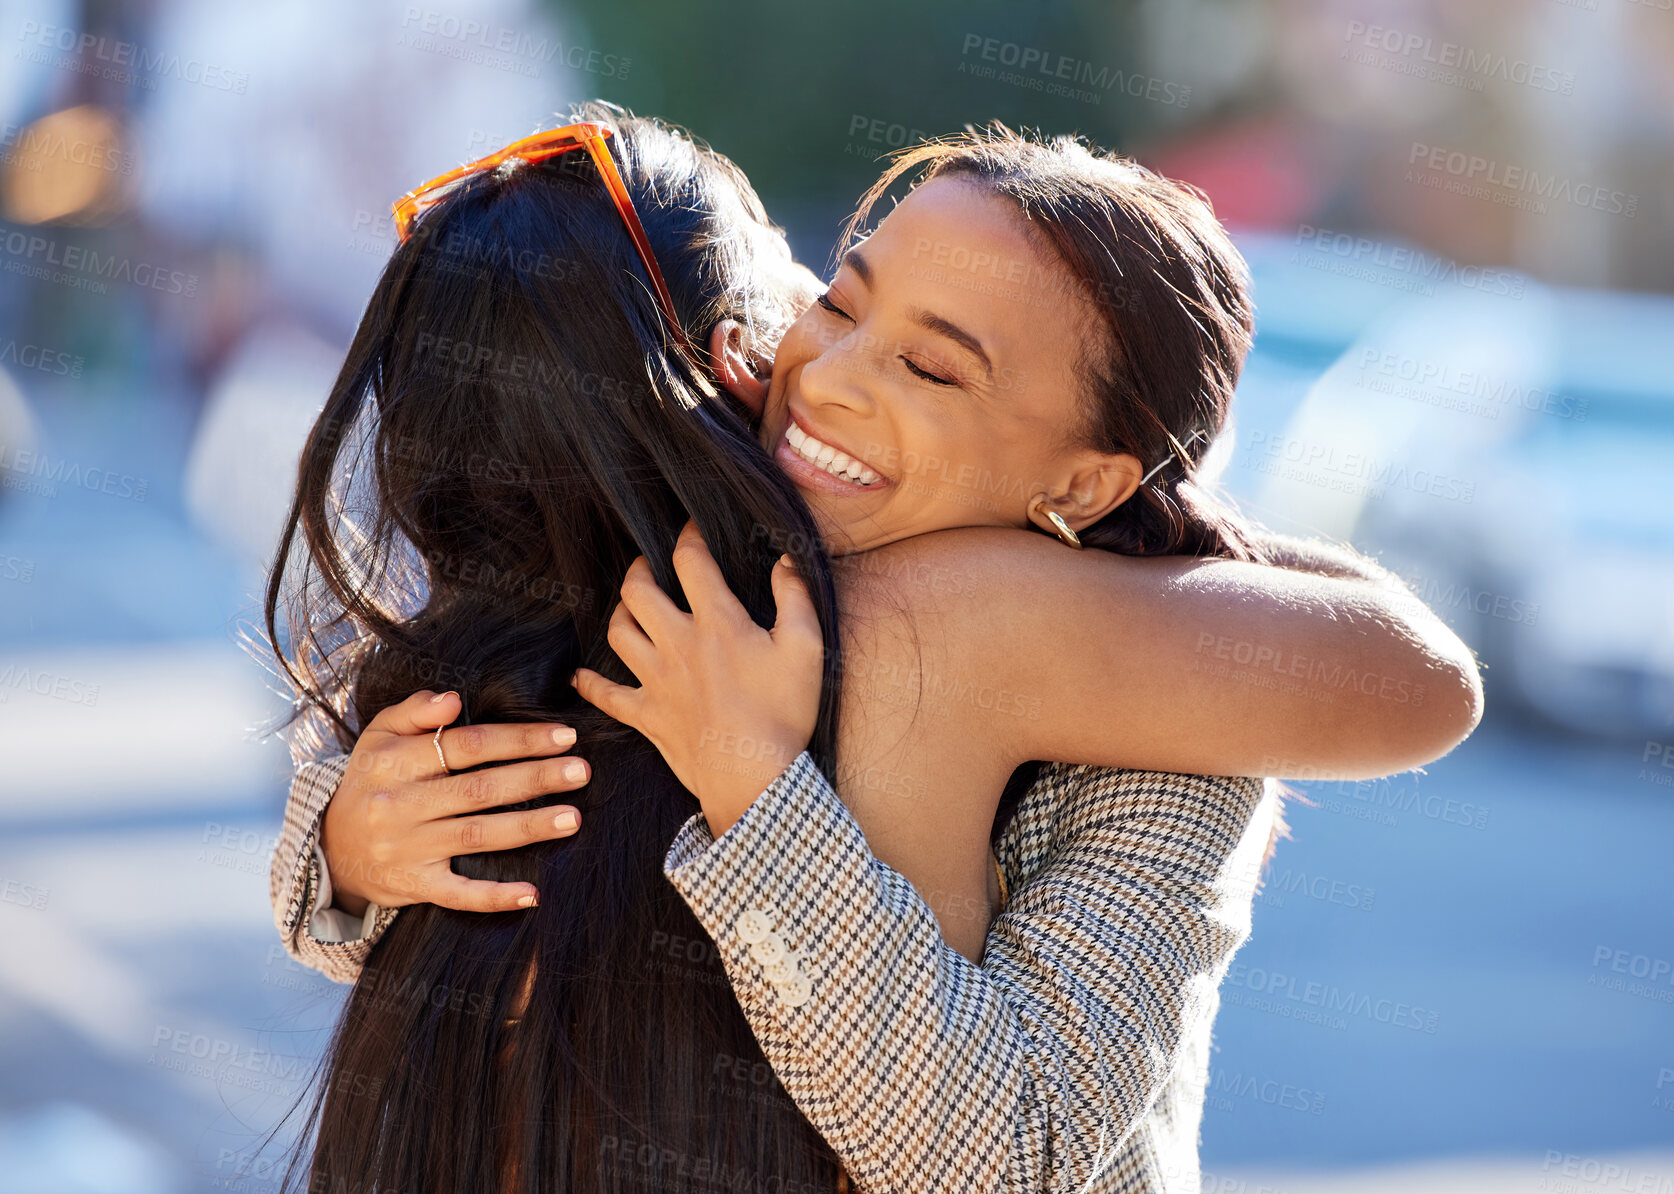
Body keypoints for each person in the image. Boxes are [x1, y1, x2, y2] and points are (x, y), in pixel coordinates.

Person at [268, 108, 1481, 1192]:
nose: (830, 380)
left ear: (1086, 479)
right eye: (837, 305)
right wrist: (347, 845)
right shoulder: (712, 565)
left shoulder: (1162, 722)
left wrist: (763, 782)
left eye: (932, 365)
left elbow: (1008, 1156)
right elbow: (474, 718)